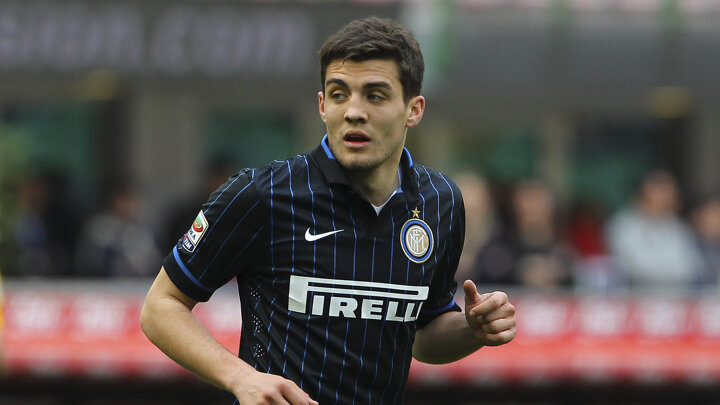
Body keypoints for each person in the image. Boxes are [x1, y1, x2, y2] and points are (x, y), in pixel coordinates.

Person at [140, 17, 516, 405]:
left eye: (375, 96)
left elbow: (424, 337)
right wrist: (240, 377)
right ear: (322, 105)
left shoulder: (440, 202)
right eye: (339, 94)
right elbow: (160, 307)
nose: (353, 112)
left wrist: (471, 330)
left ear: (413, 110)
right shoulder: (263, 195)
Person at [606, 169, 703, 292]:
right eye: (663, 191)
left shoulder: (679, 227)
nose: (669, 197)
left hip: (678, 296)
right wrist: (667, 273)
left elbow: (691, 267)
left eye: (672, 192)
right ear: (646, 191)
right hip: (636, 297)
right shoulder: (623, 225)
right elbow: (633, 268)